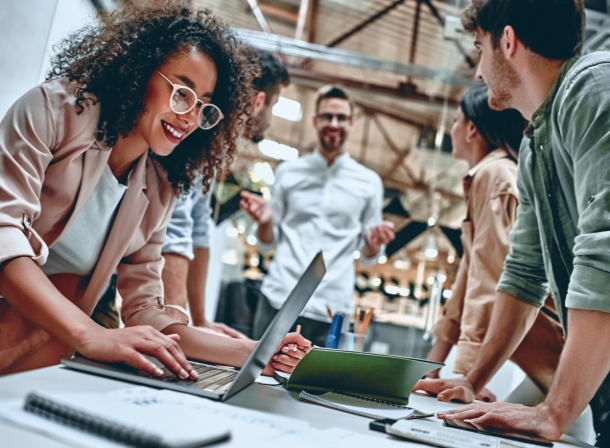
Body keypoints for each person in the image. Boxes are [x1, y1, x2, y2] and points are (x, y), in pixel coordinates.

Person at [0, 1, 309, 378]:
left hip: (40, 353)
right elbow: (5, 236)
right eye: (182, 93)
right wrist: (93, 335)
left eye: (204, 107)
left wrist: (256, 352)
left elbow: (147, 310)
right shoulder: (53, 111)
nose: (190, 117)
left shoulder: (159, 186)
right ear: (139, 71)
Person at [414, 0, 610, 445]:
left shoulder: (594, 85)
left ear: (508, 41)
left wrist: (553, 411)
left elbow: (606, 252)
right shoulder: (536, 144)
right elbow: (523, 273)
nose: (480, 73)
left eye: (481, 48)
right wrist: (471, 378)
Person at [421, 84, 566, 403]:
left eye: (456, 120)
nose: (452, 129)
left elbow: (490, 279)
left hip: (556, 352)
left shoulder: (495, 176)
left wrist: (467, 377)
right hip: (543, 354)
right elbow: (467, 279)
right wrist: (431, 365)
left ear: (472, 128)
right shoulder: (488, 176)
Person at [240, 85, 395, 347]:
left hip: (332, 308)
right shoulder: (289, 172)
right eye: (327, 116)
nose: (334, 124)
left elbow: (369, 257)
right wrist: (266, 222)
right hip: (279, 298)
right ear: (315, 120)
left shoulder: (369, 182)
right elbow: (268, 242)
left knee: (317, 386)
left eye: (341, 117)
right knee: (258, 379)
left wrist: (373, 242)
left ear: (352, 122)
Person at [160, 49, 289, 338]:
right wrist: (180, 330)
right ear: (258, 101)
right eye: (274, 104)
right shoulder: (199, 133)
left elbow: (199, 227)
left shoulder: (216, 146)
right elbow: (177, 228)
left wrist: (200, 320)